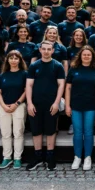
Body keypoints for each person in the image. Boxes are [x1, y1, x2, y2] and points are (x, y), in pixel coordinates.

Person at [26, 41, 66, 171]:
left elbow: (61, 85)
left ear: (53, 51)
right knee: (36, 130)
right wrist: (29, 103)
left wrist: (56, 103)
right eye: (44, 49)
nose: (46, 51)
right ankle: (38, 157)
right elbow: (29, 85)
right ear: (40, 50)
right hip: (35, 103)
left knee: (50, 130)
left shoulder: (58, 66)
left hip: (51, 104)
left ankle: (50, 157)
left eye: (49, 49)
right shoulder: (34, 66)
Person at [65, 45, 95, 171]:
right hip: (75, 105)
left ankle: (87, 157)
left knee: (88, 131)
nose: (86, 56)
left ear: (92, 56)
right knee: (78, 132)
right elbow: (68, 88)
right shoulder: (73, 69)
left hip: (91, 105)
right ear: (80, 56)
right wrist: (67, 105)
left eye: (88, 55)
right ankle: (77, 157)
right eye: (84, 54)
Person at [0, 51, 28, 169]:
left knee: (18, 132)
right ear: (7, 60)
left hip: (19, 106)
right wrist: (3, 105)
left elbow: (26, 90)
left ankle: (17, 158)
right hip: (4, 106)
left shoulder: (24, 74)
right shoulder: (3, 75)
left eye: (16, 58)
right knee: (5, 133)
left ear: (20, 60)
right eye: (11, 58)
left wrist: (17, 103)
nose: (13, 60)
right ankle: (7, 157)